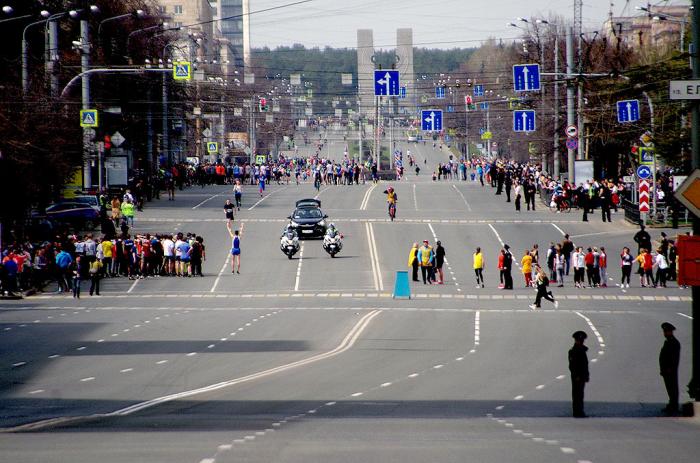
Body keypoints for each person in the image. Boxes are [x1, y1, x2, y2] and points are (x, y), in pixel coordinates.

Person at [659, 322, 681, 415]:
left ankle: (674, 405)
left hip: (670, 370)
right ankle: (672, 404)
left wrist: (669, 368)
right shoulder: (668, 341)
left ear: (670, 332)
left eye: (666, 332)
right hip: (666, 370)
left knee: (673, 387)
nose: (665, 333)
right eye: (664, 332)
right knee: (669, 387)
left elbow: (674, 358)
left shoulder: (674, 343)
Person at [569, 330, 590, 418]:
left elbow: (585, 365)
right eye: (579, 340)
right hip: (576, 376)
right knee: (577, 394)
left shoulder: (582, 350)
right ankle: (577, 412)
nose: (580, 342)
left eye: (581, 340)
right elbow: (572, 365)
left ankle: (580, 411)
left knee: (580, 394)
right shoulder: (573, 351)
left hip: (582, 376)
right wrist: (576, 375)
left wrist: (586, 375)